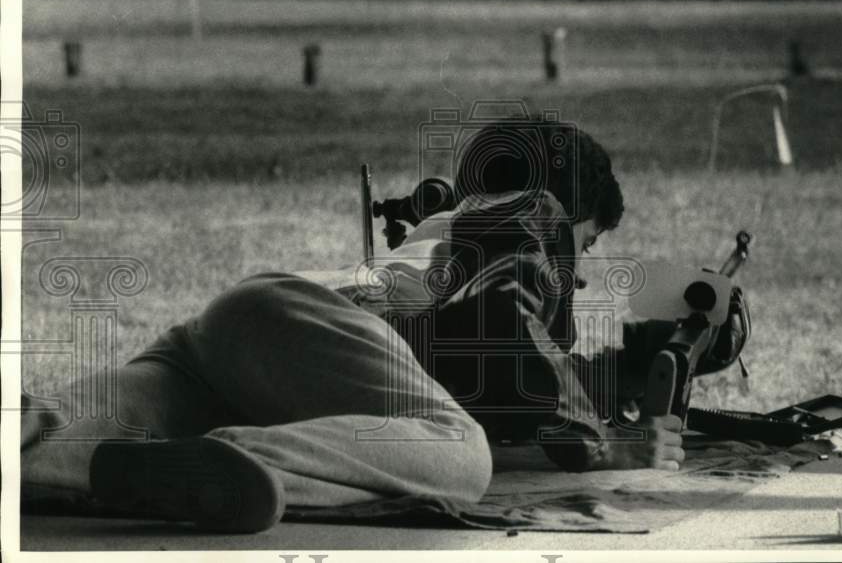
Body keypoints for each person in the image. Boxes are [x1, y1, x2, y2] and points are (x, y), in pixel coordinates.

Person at [21, 116, 746, 533]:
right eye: (583, 247)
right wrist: (603, 444)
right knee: (460, 455)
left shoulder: (447, 244)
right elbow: (519, 378)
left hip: (232, 338)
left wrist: (626, 369)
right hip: (314, 327)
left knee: (58, 432)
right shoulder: (534, 213)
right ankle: (241, 461)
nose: (577, 273)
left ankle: (42, 442)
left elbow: (469, 374)